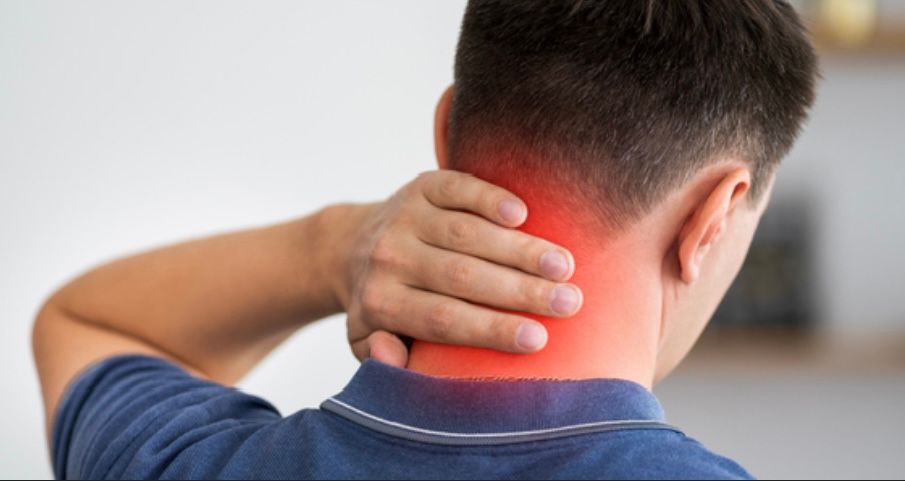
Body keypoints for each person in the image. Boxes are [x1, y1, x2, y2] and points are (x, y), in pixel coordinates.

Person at [34, 0, 818, 479]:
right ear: (712, 217)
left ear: (445, 133)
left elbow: (86, 322)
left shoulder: (188, 465)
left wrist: (330, 248)